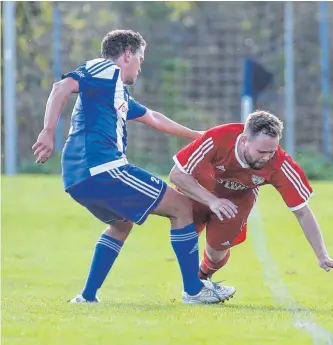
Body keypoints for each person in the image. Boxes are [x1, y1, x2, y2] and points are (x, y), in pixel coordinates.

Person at [32, 29, 235, 305]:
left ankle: (87, 296)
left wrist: (200, 136)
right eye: (140, 59)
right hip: (102, 168)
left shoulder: (117, 93)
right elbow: (61, 87)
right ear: (127, 54)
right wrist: (47, 131)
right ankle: (194, 290)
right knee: (182, 207)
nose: (140, 67)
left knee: (121, 224)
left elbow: (153, 117)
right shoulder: (104, 69)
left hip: (78, 177)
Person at [169, 110, 333, 281]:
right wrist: (212, 200)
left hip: (237, 202)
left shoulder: (279, 164)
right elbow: (176, 175)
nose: (267, 157)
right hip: (200, 190)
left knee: (216, 254)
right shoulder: (218, 138)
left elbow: (302, 212)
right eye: (261, 152)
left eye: (272, 151)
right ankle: (193, 287)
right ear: (244, 140)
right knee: (187, 237)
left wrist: (322, 255)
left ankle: (203, 276)